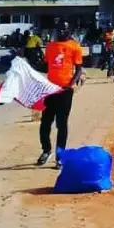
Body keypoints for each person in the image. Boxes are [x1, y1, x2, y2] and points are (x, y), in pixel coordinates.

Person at [37, 22, 84, 167]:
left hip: (65, 91)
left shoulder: (74, 47)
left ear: (69, 30)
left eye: (65, 28)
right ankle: (46, 150)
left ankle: (60, 156)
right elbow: (46, 66)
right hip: (50, 90)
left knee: (61, 124)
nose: (62, 31)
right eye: (59, 29)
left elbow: (78, 69)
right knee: (45, 123)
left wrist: (71, 84)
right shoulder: (51, 47)